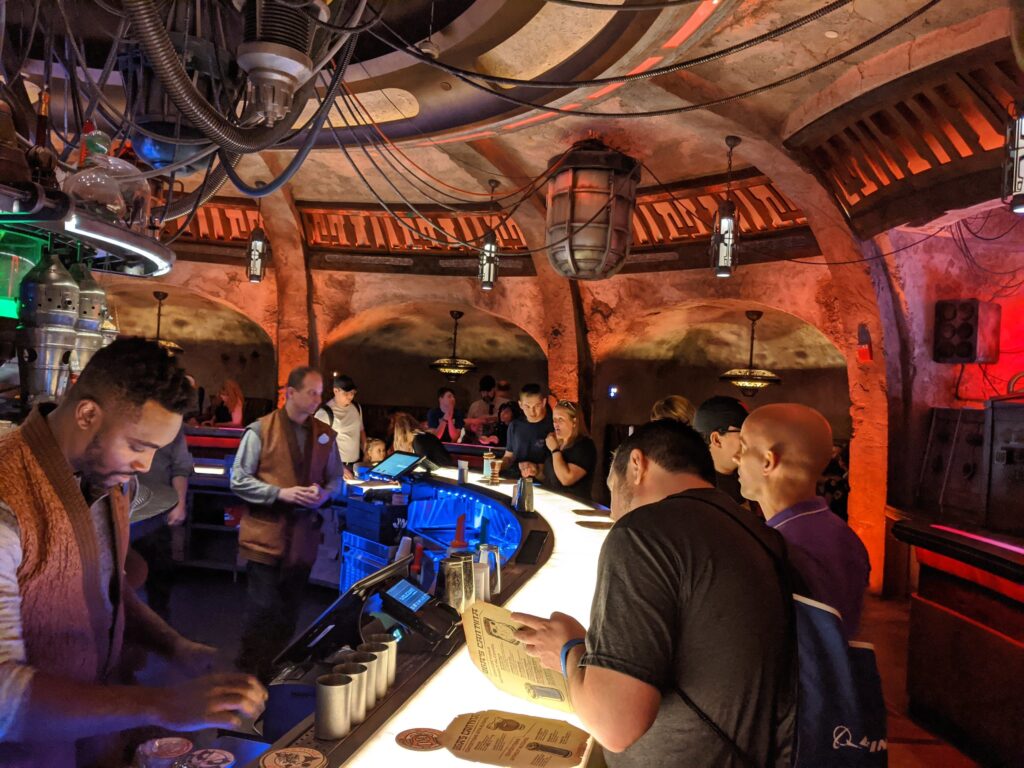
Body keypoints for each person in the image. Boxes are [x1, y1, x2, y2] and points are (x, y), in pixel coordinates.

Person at [0, 338, 265, 768]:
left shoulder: (110, 482)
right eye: (139, 446)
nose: (145, 465)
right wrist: (162, 705)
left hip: (93, 742)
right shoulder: (6, 499)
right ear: (88, 414)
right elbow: (3, 697)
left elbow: (106, 589)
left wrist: (176, 647)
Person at [513, 420, 795, 766]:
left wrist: (567, 648)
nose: (614, 512)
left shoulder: (643, 532)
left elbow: (614, 724)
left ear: (637, 465)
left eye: (612, 489)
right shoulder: (754, 531)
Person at [231, 366, 345, 681]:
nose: (317, 399)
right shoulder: (259, 431)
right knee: (262, 608)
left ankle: (270, 670)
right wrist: (280, 493)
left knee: (289, 610)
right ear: (290, 393)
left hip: (302, 540)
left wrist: (323, 494)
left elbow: (337, 478)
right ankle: (247, 669)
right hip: (264, 537)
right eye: (312, 392)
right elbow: (238, 480)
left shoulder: (324, 435)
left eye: (320, 393)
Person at [735, 403, 870, 639]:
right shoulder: (844, 537)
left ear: (768, 461)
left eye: (744, 447)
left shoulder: (778, 549)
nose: (736, 457)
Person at [132, 423, 193, 619]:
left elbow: (180, 468)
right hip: (119, 514)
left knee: (159, 579)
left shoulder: (170, 422)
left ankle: (158, 629)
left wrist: (180, 503)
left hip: (155, 516)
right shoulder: (119, 412)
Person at [528, 400, 597, 500]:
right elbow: (550, 478)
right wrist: (536, 472)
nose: (555, 424)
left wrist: (555, 450)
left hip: (575, 505)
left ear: (574, 421)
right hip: (554, 502)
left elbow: (566, 479)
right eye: (554, 419)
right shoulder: (556, 443)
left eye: (560, 419)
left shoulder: (585, 445)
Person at [692, 395, 749, 506]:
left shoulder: (752, 477)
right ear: (717, 440)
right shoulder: (694, 489)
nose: (750, 440)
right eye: (744, 433)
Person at [501, 383, 554, 478]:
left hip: (543, 483)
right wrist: (499, 465)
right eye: (527, 406)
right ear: (520, 405)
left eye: (536, 406)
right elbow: (508, 456)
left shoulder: (552, 426)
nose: (532, 411)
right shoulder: (514, 426)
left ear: (544, 402)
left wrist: (536, 468)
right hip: (515, 479)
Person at [315, 374, 366, 468]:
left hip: (356, 464)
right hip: (336, 466)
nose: (350, 396)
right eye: (346, 393)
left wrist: (366, 451)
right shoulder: (325, 413)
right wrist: (338, 467)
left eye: (353, 393)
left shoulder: (356, 407)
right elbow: (318, 446)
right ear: (336, 391)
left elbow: (361, 430)